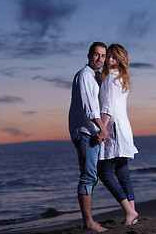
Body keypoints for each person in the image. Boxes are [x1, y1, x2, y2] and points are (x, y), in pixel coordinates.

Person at [68, 42, 109, 232]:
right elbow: (89, 108)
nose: (99, 59)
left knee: (91, 176)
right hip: (85, 132)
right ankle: (88, 223)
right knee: (88, 176)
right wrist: (102, 128)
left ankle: (88, 221)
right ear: (89, 55)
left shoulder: (94, 77)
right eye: (96, 55)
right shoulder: (84, 75)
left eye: (103, 56)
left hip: (91, 132)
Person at [98, 44, 139, 225]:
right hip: (125, 129)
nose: (109, 60)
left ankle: (129, 211)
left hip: (114, 129)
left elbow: (107, 106)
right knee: (123, 174)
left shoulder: (111, 77)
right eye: (109, 57)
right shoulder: (123, 77)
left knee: (105, 173)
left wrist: (102, 129)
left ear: (120, 59)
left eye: (114, 57)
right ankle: (132, 215)